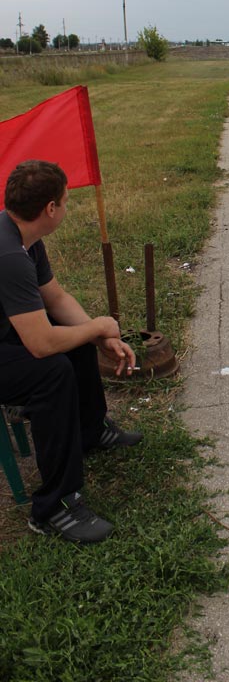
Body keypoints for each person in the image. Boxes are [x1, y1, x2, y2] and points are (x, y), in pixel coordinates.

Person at [0, 160, 142, 544]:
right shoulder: (9, 256)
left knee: (74, 340)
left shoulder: (25, 237)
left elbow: (56, 299)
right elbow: (41, 345)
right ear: (50, 208)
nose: (67, 206)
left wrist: (99, 337)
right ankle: (54, 507)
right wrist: (98, 327)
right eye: (65, 200)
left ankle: (89, 431)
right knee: (52, 372)